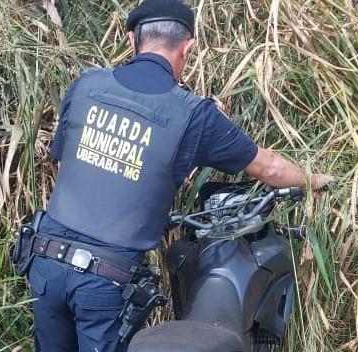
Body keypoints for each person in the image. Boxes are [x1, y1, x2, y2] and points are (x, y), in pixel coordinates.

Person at [26, 0, 333, 351]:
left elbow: (66, 163)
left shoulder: (86, 85)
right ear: (187, 48)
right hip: (102, 281)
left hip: (44, 262)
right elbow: (270, 168)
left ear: (132, 40)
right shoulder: (193, 115)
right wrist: (316, 181)